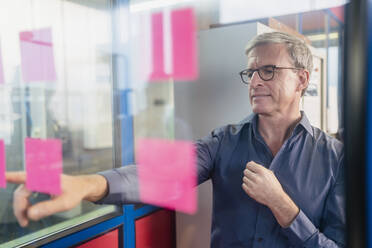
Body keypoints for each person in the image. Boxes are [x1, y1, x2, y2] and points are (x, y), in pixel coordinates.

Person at [6, 31, 345, 247]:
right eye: (251, 72)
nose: (255, 81)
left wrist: (283, 206)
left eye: (268, 70)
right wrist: (88, 185)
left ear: (302, 79)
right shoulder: (225, 142)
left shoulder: (335, 158)